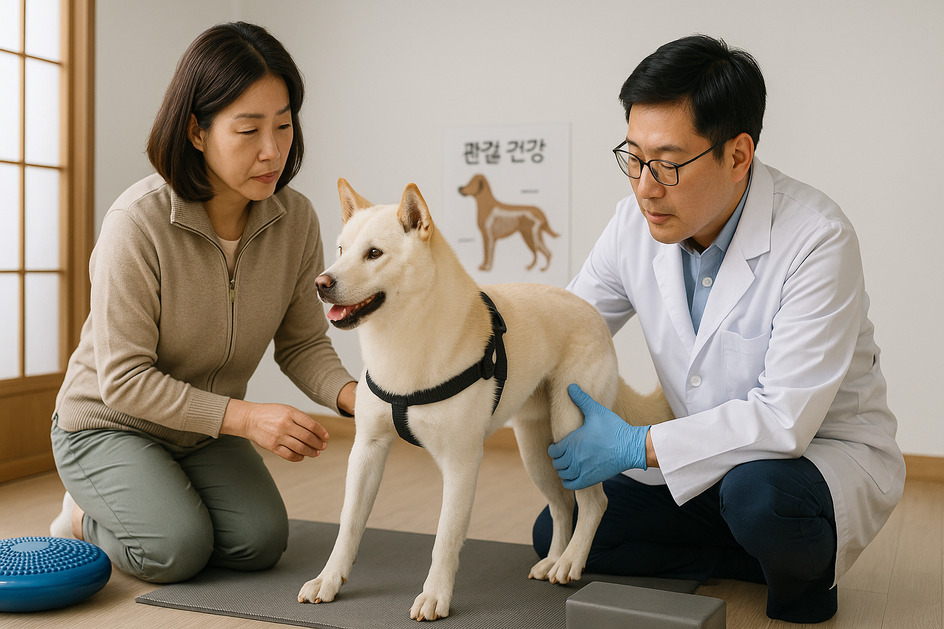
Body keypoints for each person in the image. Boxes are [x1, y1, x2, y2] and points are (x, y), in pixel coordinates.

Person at [535, 35, 904, 623]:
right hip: (703, 462)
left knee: (760, 499)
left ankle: (802, 575)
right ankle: (743, 555)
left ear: (737, 156)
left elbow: (784, 421)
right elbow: (565, 326)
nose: (645, 186)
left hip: (810, 464)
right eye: (633, 157)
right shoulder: (633, 224)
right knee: (555, 531)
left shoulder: (816, 238)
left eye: (668, 164)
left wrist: (636, 445)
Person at [49, 22, 357, 584]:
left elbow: (302, 344)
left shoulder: (295, 220)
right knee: (175, 551)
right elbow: (123, 380)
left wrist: (358, 399)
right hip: (107, 422)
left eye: (284, 125)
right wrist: (246, 418)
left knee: (260, 542)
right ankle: (81, 514)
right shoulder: (137, 223)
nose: (272, 150)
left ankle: (159, 493)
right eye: (249, 130)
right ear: (196, 131)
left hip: (199, 429)